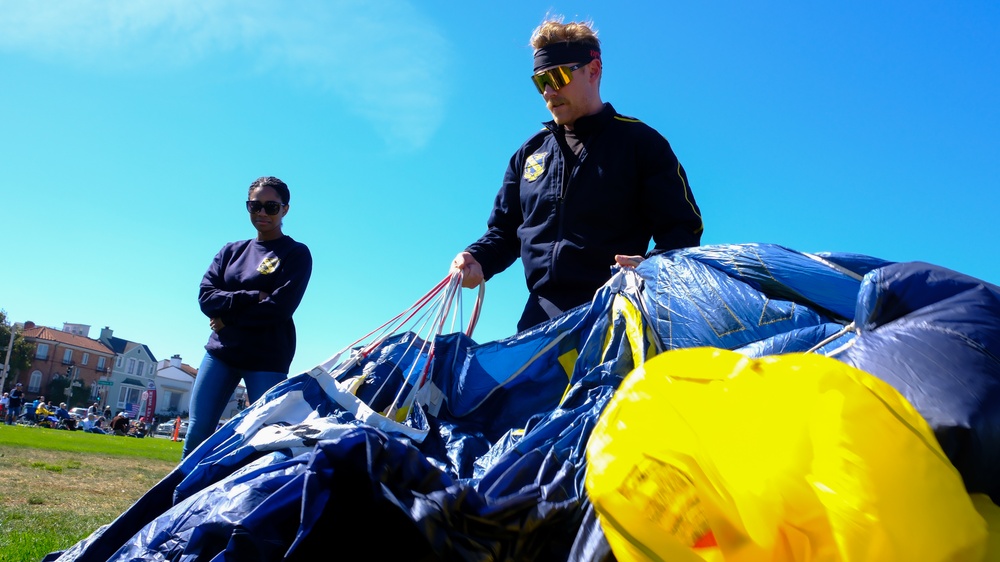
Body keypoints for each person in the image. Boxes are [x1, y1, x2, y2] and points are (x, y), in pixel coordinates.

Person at [450, 18, 704, 332]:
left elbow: (682, 228)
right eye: (540, 81)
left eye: (557, 77)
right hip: (538, 320)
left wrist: (651, 270)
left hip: (615, 315)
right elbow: (505, 232)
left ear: (593, 70)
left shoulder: (641, 143)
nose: (548, 91)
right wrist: (476, 258)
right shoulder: (529, 154)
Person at [183, 176, 313, 458]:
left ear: (285, 210)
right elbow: (206, 298)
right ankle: (177, 498)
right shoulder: (231, 251)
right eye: (255, 206)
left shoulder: (296, 253)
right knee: (198, 431)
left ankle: (254, 499)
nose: (262, 213)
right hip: (221, 353)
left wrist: (228, 318)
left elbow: (280, 307)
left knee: (265, 438)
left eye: (271, 207)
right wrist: (251, 296)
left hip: (266, 358)